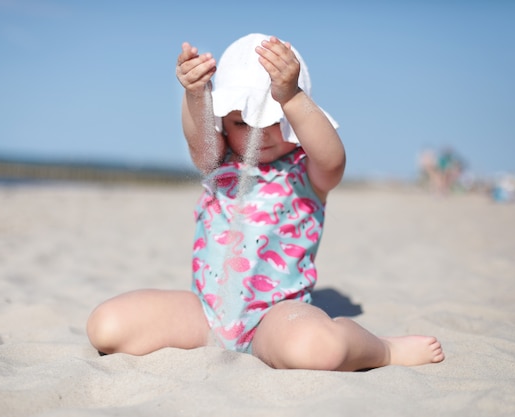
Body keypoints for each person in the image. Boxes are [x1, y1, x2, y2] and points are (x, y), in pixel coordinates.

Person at [86, 33, 445, 371]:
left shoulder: (307, 174)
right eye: (242, 123)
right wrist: (196, 95)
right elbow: (201, 141)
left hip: (274, 318)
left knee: (318, 350)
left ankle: (384, 349)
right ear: (223, 123)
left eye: (277, 119)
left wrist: (290, 96)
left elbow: (333, 160)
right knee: (106, 327)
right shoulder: (218, 163)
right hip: (206, 313)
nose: (262, 133)